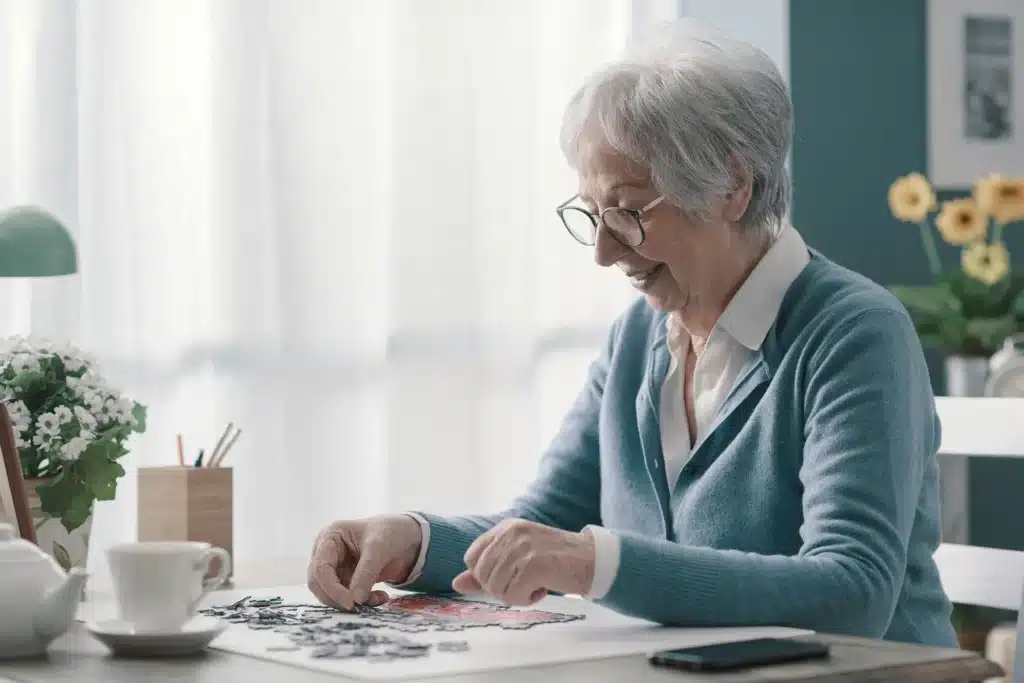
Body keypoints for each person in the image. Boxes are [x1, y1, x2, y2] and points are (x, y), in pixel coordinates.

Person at [308, 19, 957, 647]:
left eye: (625, 211)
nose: (603, 250)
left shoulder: (854, 334)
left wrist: (596, 564)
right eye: (591, 214)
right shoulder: (638, 339)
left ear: (733, 186)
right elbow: (545, 525)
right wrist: (410, 539)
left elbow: (853, 592)